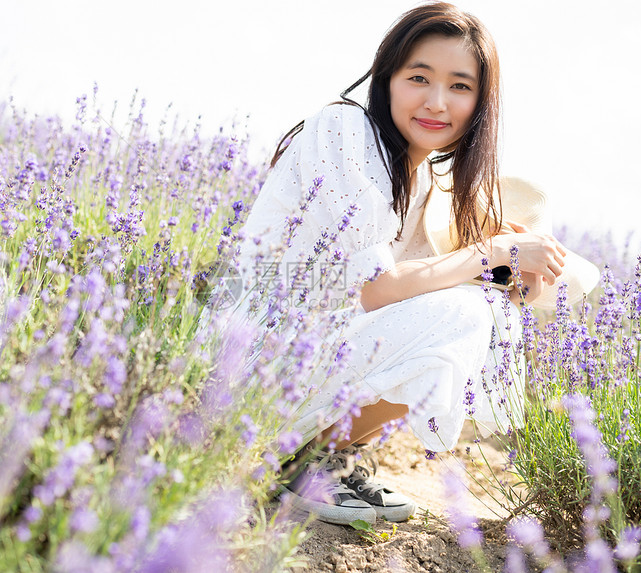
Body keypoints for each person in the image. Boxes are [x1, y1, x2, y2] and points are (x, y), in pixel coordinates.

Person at [214, 2, 568, 525]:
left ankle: (325, 456)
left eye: (460, 86)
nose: (436, 101)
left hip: (303, 355)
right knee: (466, 315)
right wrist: (490, 253)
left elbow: (421, 291)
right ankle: (305, 465)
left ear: (481, 104)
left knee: (485, 310)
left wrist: (510, 278)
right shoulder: (345, 129)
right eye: (419, 78)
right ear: (387, 79)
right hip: (252, 357)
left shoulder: (422, 180)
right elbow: (377, 289)